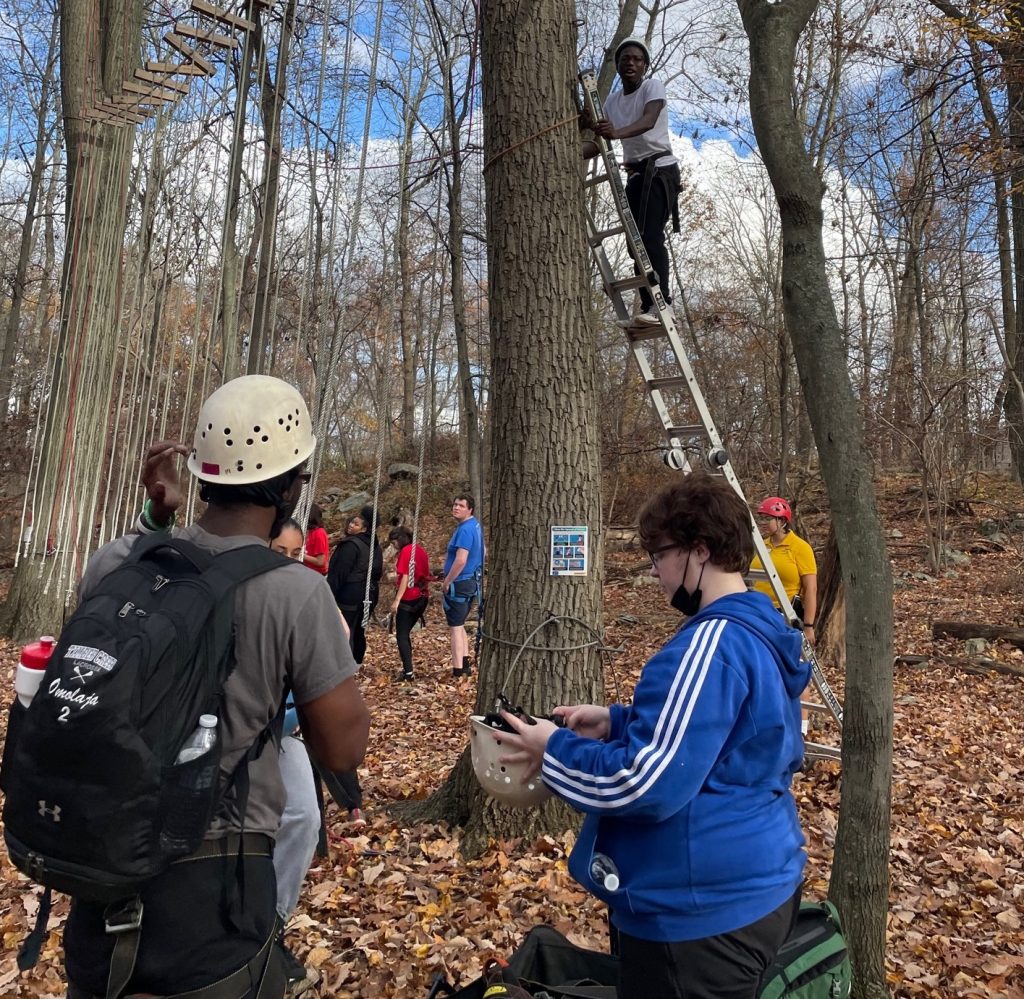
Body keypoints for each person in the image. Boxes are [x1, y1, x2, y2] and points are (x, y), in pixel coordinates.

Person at [62, 375, 370, 999]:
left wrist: (156, 518)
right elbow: (341, 752)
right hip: (218, 889)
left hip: (100, 868)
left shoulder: (120, 559)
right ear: (291, 485)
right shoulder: (294, 593)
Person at [496, 474, 809, 999]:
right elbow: (728, 738)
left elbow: (643, 783)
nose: (656, 572)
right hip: (757, 886)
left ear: (700, 551)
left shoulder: (710, 645)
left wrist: (551, 749)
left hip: (700, 916)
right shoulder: (760, 627)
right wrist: (618, 721)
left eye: (660, 554)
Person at [268, 518, 328, 995]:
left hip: (283, 732)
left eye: (294, 554)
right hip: (229, 732)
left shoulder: (306, 595)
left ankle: (272, 921)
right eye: (278, 551)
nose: (286, 561)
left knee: (305, 814)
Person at [583, 37, 680, 327]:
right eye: (625, 59)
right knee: (633, 242)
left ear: (645, 65)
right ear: (618, 64)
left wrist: (616, 133)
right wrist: (571, 150)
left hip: (661, 171)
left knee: (649, 236)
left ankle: (663, 304)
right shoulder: (613, 100)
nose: (631, 63)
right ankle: (650, 303)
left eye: (637, 59)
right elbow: (600, 142)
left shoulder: (652, 87)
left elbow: (649, 120)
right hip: (636, 175)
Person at [750, 495, 818, 737]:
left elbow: (810, 589)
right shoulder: (762, 545)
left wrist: (808, 625)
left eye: (768, 519)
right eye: (762, 518)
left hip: (786, 618)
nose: (763, 523)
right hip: (759, 617)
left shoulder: (800, 548)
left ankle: (801, 731)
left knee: (795, 672)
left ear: (782, 521)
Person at [326, 505, 384, 666]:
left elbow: (338, 574)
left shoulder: (351, 546)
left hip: (350, 594)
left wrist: (328, 595)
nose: (351, 525)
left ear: (364, 527)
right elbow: (378, 572)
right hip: (369, 594)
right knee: (359, 628)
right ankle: (356, 660)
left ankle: (343, 663)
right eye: (351, 522)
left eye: (356, 523)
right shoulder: (375, 547)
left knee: (345, 628)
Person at [441, 494, 484, 678]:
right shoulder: (475, 526)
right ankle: (464, 663)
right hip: (471, 581)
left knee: (455, 627)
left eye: (461, 505)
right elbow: (484, 552)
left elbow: (460, 559)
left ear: (470, 509)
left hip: (460, 583)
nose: (456, 508)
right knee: (460, 624)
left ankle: (458, 669)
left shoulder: (466, 530)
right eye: (455, 504)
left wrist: (448, 580)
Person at [387, 525, 430, 682]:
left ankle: (408, 672)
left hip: (410, 598)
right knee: (405, 635)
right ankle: (408, 668)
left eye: (394, 543)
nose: (394, 547)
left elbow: (405, 576)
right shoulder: (420, 550)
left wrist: (396, 601)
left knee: (402, 635)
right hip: (423, 596)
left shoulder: (407, 552)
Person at [301, 503, 329, 574]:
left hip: (316, 573)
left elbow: (320, 562)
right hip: (307, 570)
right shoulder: (309, 531)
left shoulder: (319, 533)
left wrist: (300, 555)